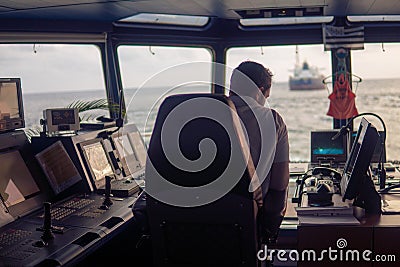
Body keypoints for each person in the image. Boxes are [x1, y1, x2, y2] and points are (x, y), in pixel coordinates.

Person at [228, 60, 290, 242]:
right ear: (260, 90)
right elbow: (279, 185)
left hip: (192, 224)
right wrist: (269, 231)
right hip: (246, 226)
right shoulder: (273, 120)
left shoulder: (204, 113)